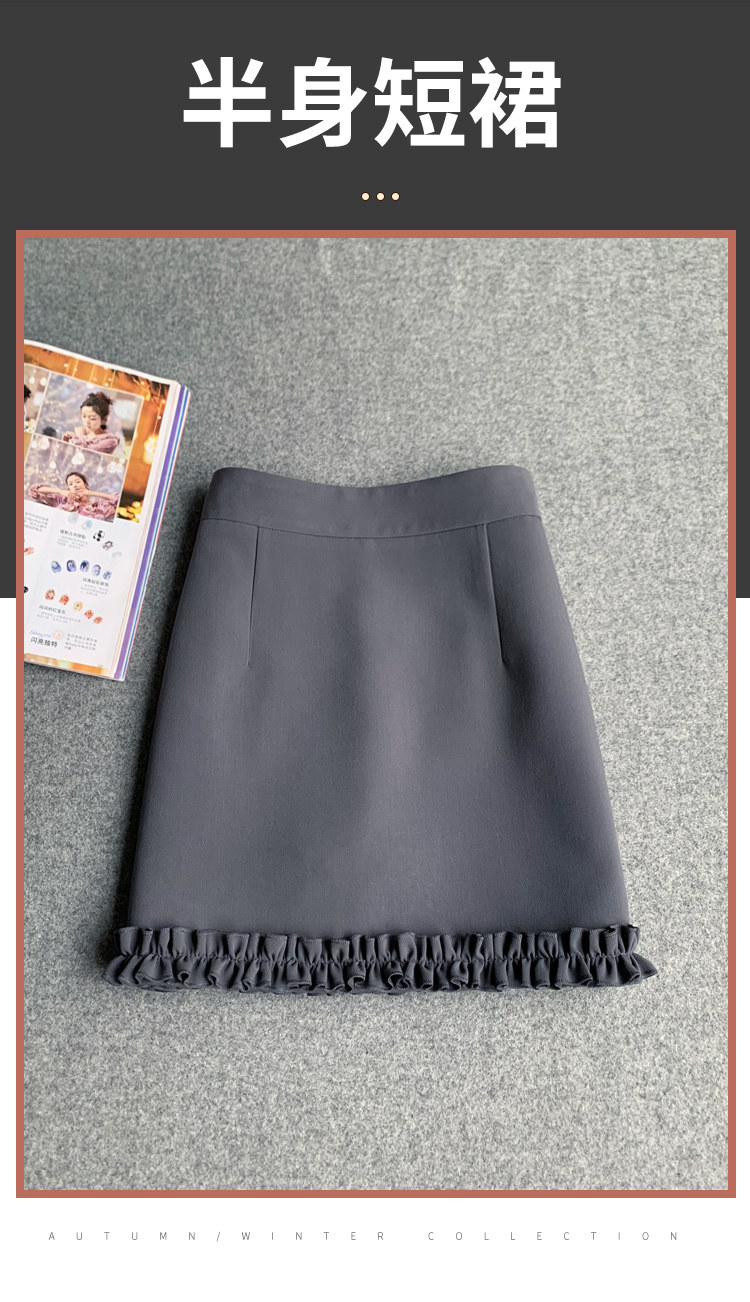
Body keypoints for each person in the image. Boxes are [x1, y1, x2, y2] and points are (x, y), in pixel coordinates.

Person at [27, 471, 120, 521]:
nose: (75, 485)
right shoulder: (61, 500)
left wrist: (91, 493)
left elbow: (118, 502)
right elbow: (34, 491)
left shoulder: (99, 507)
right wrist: (59, 491)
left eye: (78, 482)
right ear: (69, 488)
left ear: (85, 484)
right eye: (70, 484)